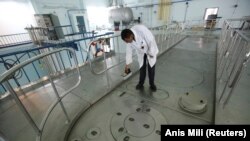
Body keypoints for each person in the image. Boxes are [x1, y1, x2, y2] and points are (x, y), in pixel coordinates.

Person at [121, 24, 159, 91]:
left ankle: (152, 84)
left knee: (151, 67)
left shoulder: (141, 30)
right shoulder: (128, 40)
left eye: (127, 40)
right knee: (142, 67)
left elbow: (151, 41)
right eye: (125, 41)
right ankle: (141, 83)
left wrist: (151, 53)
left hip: (150, 49)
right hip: (141, 51)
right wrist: (127, 65)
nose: (126, 42)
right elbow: (129, 52)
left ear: (131, 36)